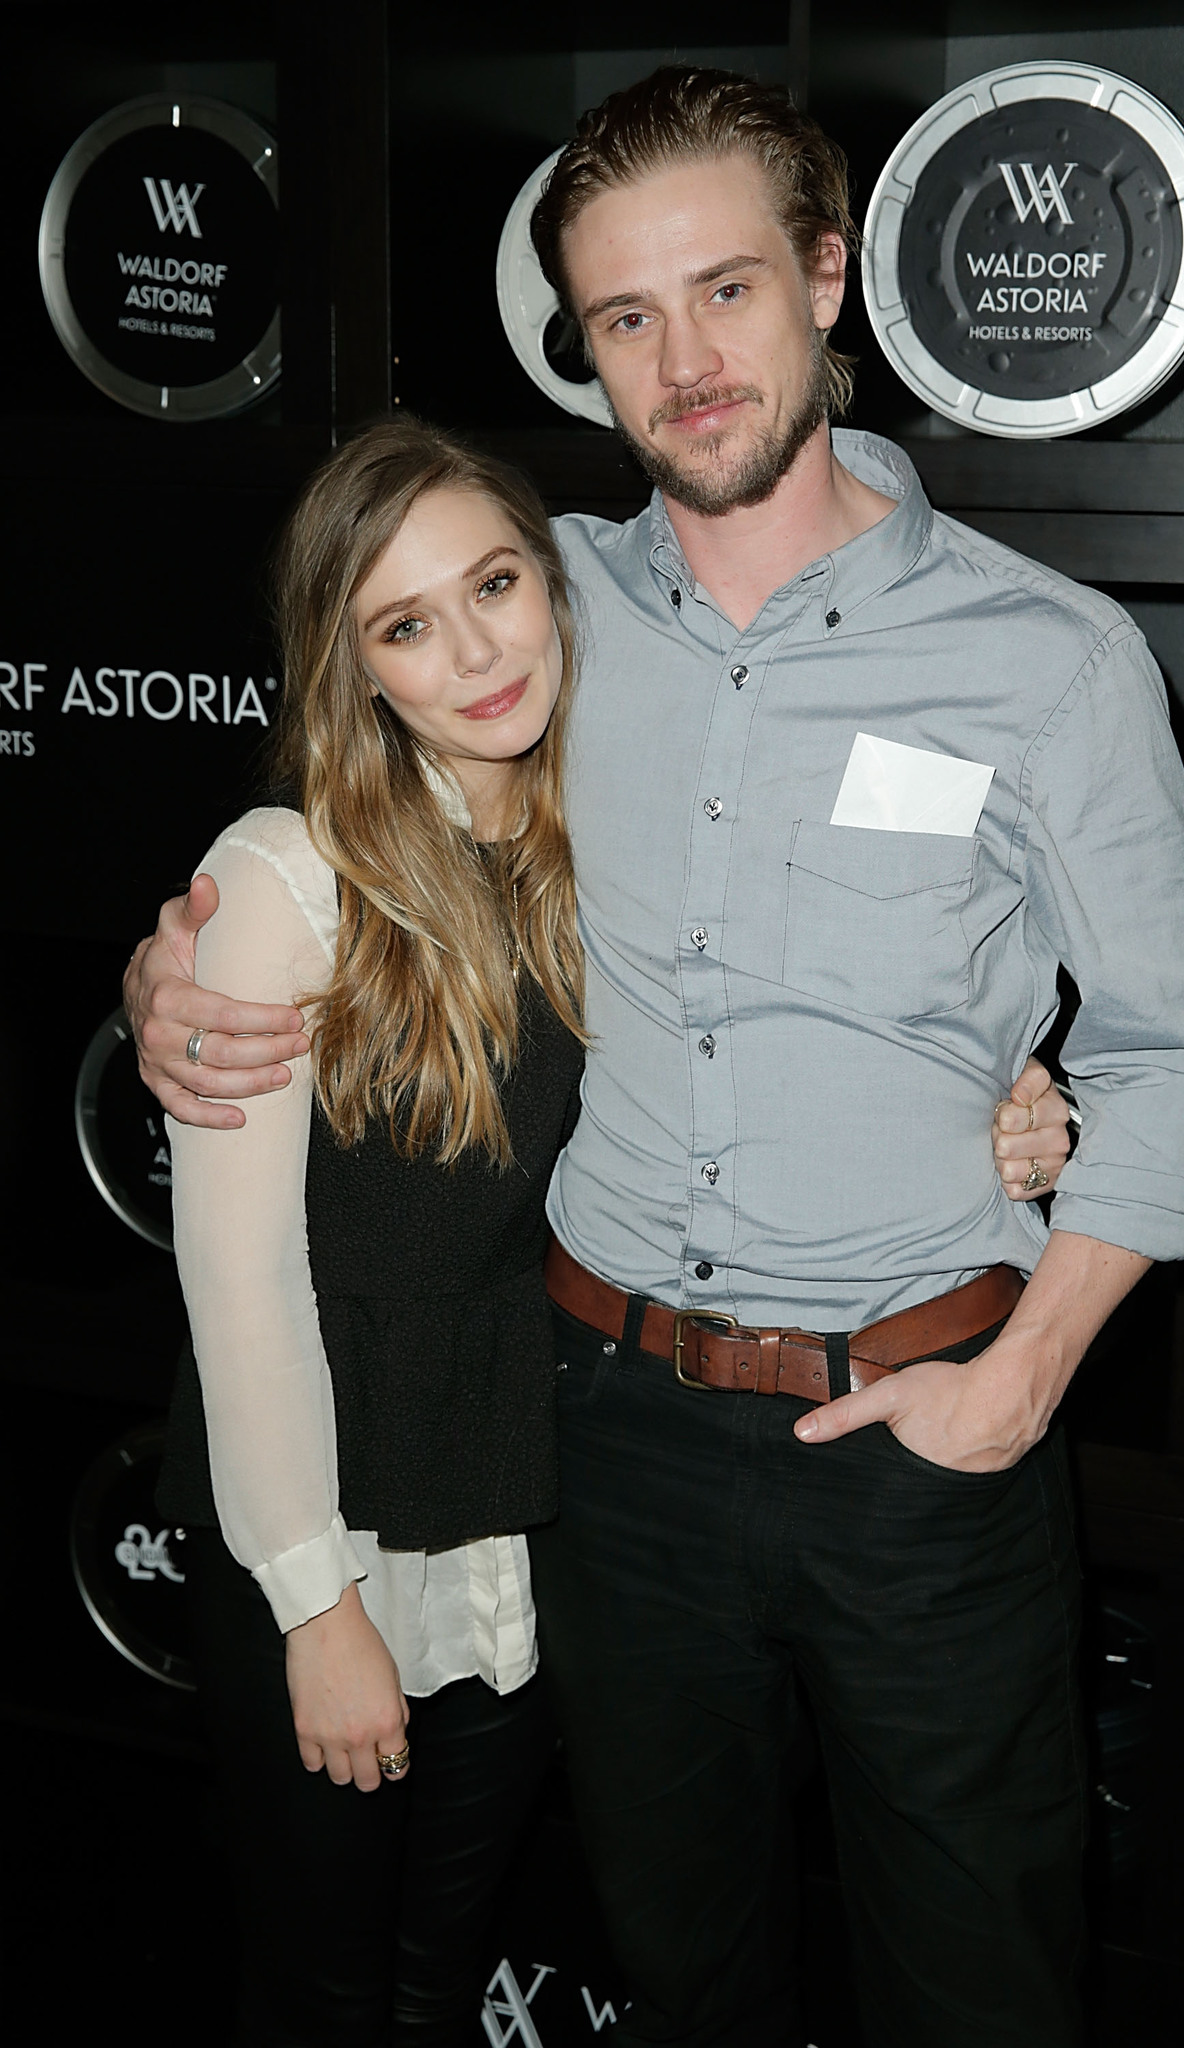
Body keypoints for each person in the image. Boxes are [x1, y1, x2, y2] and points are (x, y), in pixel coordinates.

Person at [120, 64, 1184, 2048]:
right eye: (626, 316)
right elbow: (350, 830)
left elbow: (1171, 1045)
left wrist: (1029, 1373)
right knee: (677, 1968)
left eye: (725, 290)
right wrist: (172, 977)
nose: (685, 360)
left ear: (827, 278)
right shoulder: (548, 608)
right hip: (603, 1441)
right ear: (582, 348)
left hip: (926, 1428)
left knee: (982, 1978)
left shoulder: (1047, 657)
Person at [154, 422, 590, 2045]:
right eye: (409, 624)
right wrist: (314, 1605)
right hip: (322, 1531)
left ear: (551, 579)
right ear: (356, 670)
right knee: (327, 1997)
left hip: (507, 1511)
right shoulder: (285, 879)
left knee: (434, 1983)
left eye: (493, 584)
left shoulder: (588, 842)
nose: (475, 650)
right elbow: (244, 1285)